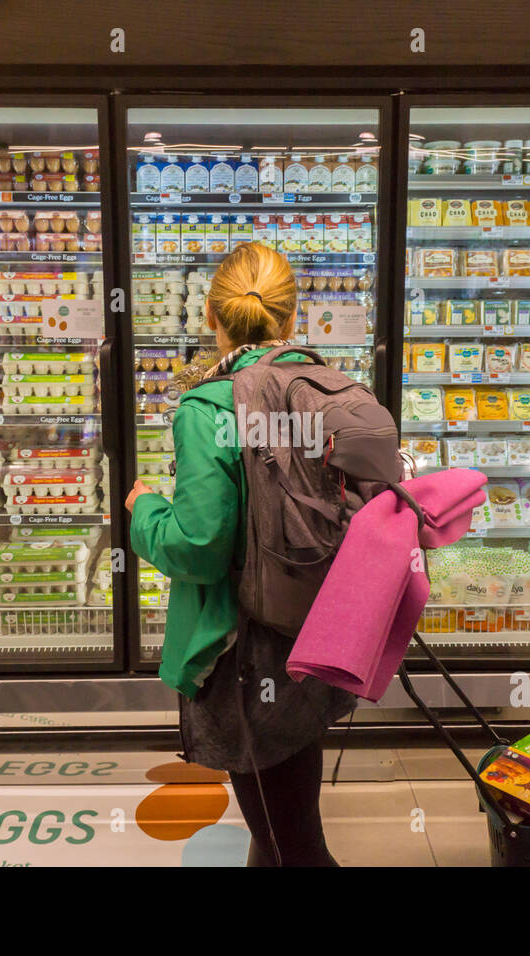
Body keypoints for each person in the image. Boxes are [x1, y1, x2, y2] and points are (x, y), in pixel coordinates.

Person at [126, 242, 356, 867]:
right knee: (281, 826)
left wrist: (142, 510)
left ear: (211, 314)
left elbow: (198, 548)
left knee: (293, 843)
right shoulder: (322, 389)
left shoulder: (210, 407)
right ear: (291, 317)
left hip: (245, 647)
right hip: (316, 634)